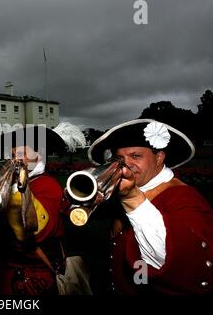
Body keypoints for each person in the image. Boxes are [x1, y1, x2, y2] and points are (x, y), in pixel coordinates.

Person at [86, 118, 213, 294]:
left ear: (159, 157)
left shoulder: (186, 198)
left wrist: (133, 199)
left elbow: (181, 261)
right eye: (119, 158)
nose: (126, 165)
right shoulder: (123, 190)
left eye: (136, 156)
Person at [0, 124, 85, 295]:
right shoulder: (17, 183)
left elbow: (36, 231)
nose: (15, 160)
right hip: (10, 272)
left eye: (22, 154)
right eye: (13, 155)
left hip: (35, 278)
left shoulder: (46, 184)